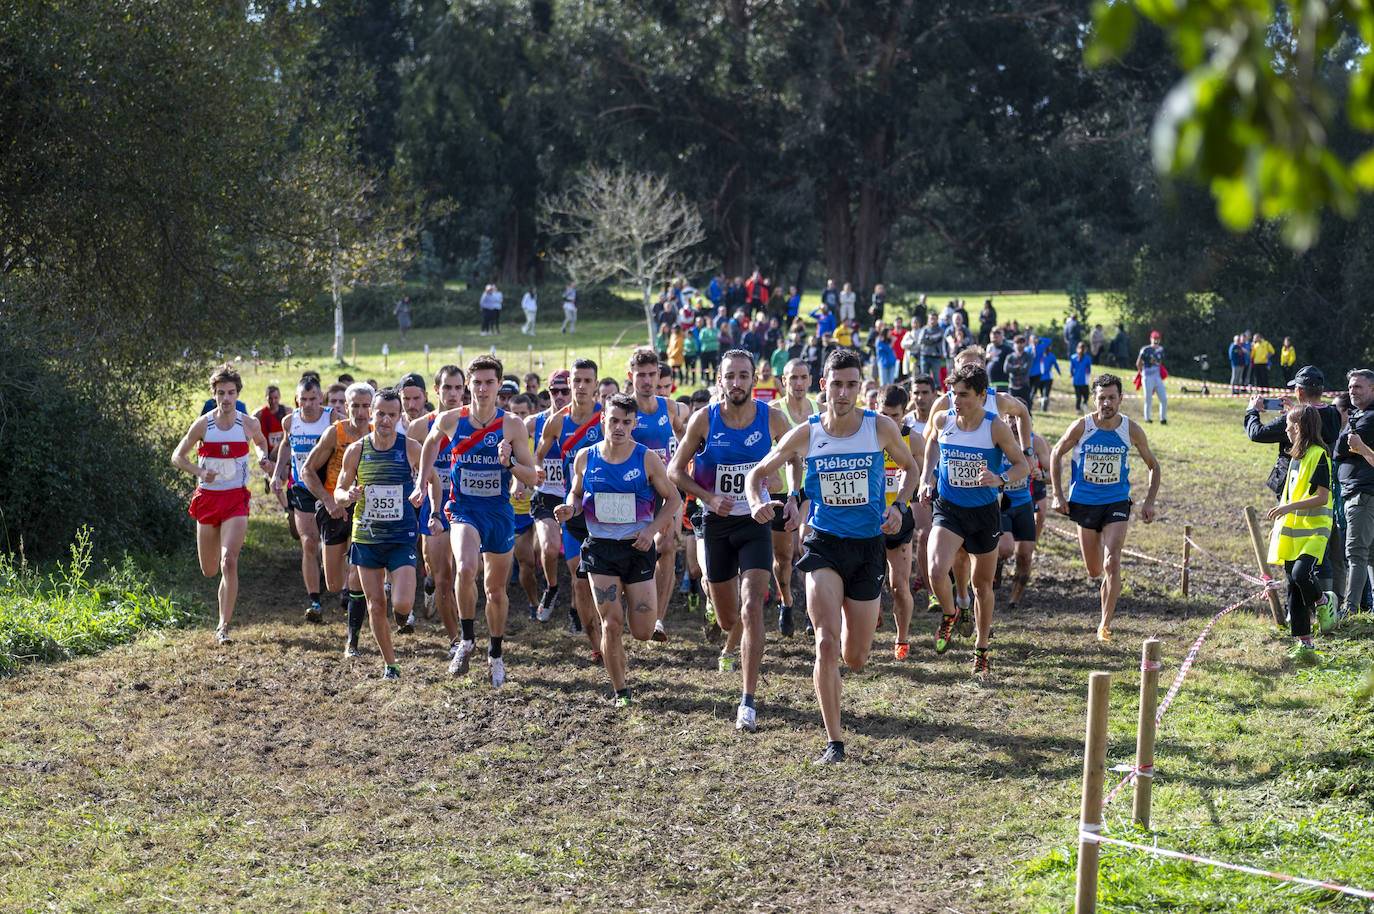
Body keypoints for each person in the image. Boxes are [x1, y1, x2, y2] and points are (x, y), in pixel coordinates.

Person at [744, 349, 919, 764]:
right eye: (836, 384)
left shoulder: (880, 428)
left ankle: (845, 639)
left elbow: (911, 468)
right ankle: (834, 742)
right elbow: (759, 473)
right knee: (825, 644)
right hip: (823, 544)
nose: (843, 392)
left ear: (861, 388)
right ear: (824, 386)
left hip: (868, 547)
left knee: (855, 657)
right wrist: (757, 501)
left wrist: (899, 507)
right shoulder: (807, 433)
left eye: (851, 385)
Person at [670, 350, 800, 732]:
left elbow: (793, 453)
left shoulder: (771, 417)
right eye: (731, 376)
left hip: (756, 521)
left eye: (745, 376)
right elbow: (676, 471)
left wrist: (791, 494)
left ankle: (748, 701)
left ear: (753, 378)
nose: (738, 383)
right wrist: (709, 498)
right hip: (717, 524)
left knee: (751, 607)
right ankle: (724, 621)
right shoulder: (704, 419)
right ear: (721, 380)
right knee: (729, 617)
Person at [416, 355, 537, 687]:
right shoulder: (452, 419)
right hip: (464, 509)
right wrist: (421, 483)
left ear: (499, 386)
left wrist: (510, 464)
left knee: (495, 590)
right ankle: (466, 640)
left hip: (498, 512)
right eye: (477, 383)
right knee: (466, 568)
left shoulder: (512, 425)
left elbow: (533, 476)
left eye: (490, 383)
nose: (483, 389)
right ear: (469, 385)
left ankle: (496, 654)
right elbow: (429, 445)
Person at [557, 394, 681, 707]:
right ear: (603, 421)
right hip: (600, 550)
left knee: (641, 631)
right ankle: (620, 691)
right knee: (611, 623)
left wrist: (651, 531)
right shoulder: (585, 457)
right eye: (614, 420)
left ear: (635, 424)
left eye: (626, 422)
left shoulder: (647, 459)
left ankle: (638, 625)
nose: (619, 427)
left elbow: (674, 500)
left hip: (637, 548)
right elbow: (575, 494)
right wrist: (569, 509)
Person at [920, 365, 1029, 674]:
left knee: (982, 586)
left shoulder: (995, 427)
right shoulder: (944, 419)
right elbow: (931, 444)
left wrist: (1000, 477)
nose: (956, 400)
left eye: (964, 395)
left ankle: (981, 649)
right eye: (954, 394)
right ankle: (951, 612)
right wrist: (927, 478)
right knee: (936, 570)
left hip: (983, 515)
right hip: (949, 508)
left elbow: (1022, 464)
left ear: (982, 396)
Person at [1050, 373, 1162, 641]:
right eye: (1102, 398)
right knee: (1094, 570)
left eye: (1112, 397)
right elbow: (1056, 453)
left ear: (1121, 399)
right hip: (1085, 503)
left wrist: (1148, 501)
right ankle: (1103, 606)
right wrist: (1057, 494)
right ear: (1094, 399)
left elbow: (1154, 466)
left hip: (1116, 501)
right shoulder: (1082, 427)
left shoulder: (1131, 430)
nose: (1107, 403)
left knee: (1112, 561)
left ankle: (1104, 624)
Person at [172, 365, 271, 644]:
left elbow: (261, 443)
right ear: (214, 395)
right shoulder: (204, 424)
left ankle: (223, 626)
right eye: (221, 393)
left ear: (238, 394)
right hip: (208, 498)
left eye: (231, 393)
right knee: (210, 569)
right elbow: (178, 457)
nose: (226, 398)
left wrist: (263, 457)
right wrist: (200, 472)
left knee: (229, 561)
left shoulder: (248, 423)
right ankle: (222, 622)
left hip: (235, 499)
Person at [334, 388, 426, 678]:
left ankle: (402, 618)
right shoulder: (356, 450)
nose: (386, 420)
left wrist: (424, 494)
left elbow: (432, 480)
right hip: (367, 537)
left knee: (402, 603)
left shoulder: (410, 447)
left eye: (392, 415)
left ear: (400, 417)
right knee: (375, 603)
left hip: (401, 536)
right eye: (381, 414)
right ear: (371, 414)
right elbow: (337, 491)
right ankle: (391, 664)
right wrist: (347, 495)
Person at [532, 359, 607, 655]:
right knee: (579, 580)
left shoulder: (606, 418)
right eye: (577, 381)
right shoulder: (557, 421)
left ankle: (610, 632)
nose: (581, 387)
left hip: (609, 511)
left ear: (596, 386)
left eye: (587, 381)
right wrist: (535, 474)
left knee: (606, 581)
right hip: (575, 511)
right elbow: (538, 456)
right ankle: (596, 646)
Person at [1266, 404, 1338, 665]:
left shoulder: (1320, 455)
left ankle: (1323, 600)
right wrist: (1279, 524)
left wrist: (1287, 508)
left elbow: (1322, 497)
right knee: (1293, 589)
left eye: (1287, 425)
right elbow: (1291, 494)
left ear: (1297, 428)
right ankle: (1304, 644)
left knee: (1301, 575)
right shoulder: (1294, 458)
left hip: (1314, 532)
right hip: (1291, 534)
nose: (1284, 429)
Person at [301, 382, 375, 630]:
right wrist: (328, 500)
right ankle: (344, 591)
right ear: (346, 406)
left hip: (366, 511)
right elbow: (307, 470)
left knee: (359, 569)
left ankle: (357, 622)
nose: (361, 412)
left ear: (373, 408)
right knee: (333, 583)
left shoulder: (380, 435)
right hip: (334, 509)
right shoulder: (336, 432)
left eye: (366, 406)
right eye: (355, 406)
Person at [626, 348, 686, 640]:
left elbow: (685, 437)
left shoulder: (669, 407)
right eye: (641, 375)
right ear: (631, 377)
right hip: (633, 493)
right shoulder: (624, 412)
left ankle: (659, 620)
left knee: (667, 545)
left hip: (664, 492)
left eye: (652, 374)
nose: (648, 381)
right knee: (635, 550)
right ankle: (637, 609)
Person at [406, 365, 467, 650]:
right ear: (436, 390)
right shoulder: (420, 427)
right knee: (442, 576)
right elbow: (407, 461)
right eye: (447, 388)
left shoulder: (475, 422)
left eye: (458, 388)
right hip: (436, 508)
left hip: (469, 508)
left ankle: (466, 629)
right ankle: (456, 639)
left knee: (464, 574)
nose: (453, 394)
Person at [271, 377, 334, 622]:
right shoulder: (290, 421)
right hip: (301, 488)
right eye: (303, 400)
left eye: (312, 399)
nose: (307, 405)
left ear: (320, 399)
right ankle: (315, 601)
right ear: (297, 399)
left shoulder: (332, 419)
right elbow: (286, 446)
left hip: (328, 488)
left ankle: (339, 587)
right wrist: (277, 473)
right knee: (308, 542)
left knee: (332, 545)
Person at [771, 358, 818, 635]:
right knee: (783, 554)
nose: (798, 383)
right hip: (782, 489)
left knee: (806, 544)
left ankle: (813, 609)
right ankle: (786, 602)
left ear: (810, 380)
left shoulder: (819, 410)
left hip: (811, 488)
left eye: (803, 377)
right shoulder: (773, 412)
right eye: (793, 378)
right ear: (783, 381)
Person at [877, 385, 922, 658]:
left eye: (895, 416)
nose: (889, 421)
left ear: (905, 414)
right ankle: (873, 610)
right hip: (868, 518)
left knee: (899, 585)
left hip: (899, 517)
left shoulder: (914, 440)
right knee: (869, 581)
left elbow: (916, 474)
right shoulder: (866, 435)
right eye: (883, 414)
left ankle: (902, 639)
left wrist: (902, 505)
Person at [997, 413, 1050, 611]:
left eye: (1017, 418)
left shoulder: (1036, 442)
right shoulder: (997, 437)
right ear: (1003, 418)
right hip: (1001, 502)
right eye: (1009, 418)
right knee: (1005, 549)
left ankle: (1014, 600)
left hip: (1024, 503)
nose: (1013, 423)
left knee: (1025, 556)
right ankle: (995, 567)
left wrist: (1041, 474)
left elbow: (1051, 475)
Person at [1335, 369, 1374, 621]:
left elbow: (1341, 448)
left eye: (1358, 387)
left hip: (1362, 494)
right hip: (1358, 493)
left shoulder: (1369, 419)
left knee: (1356, 553)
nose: (1352, 391)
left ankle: (1350, 611)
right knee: (1368, 556)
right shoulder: (1359, 415)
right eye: (1350, 387)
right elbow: (1341, 450)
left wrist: (1356, 446)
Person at [254, 385, 289, 501]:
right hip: (269, 454)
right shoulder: (259, 414)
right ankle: (285, 508)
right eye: (270, 398)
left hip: (284, 451)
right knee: (277, 480)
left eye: (276, 398)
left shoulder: (287, 411)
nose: (273, 401)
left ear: (279, 397)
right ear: (266, 398)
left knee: (284, 478)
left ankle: (269, 480)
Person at [1136, 330, 1167, 424]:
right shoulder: (1145, 349)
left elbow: (1160, 362)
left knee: (1164, 398)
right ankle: (1147, 418)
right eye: (1154, 338)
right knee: (1148, 398)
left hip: (1157, 377)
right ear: (1151, 339)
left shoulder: (1161, 350)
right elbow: (1138, 363)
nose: (1156, 341)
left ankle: (1163, 418)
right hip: (1147, 376)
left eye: (1157, 339)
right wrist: (1142, 373)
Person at [1070, 341, 1093, 412]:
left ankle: (1077, 410)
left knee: (1078, 396)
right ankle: (1084, 405)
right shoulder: (1088, 358)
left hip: (1076, 380)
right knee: (1086, 395)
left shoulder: (1073, 357)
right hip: (1084, 380)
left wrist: (1073, 375)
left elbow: (1071, 369)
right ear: (1085, 349)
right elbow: (1089, 370)